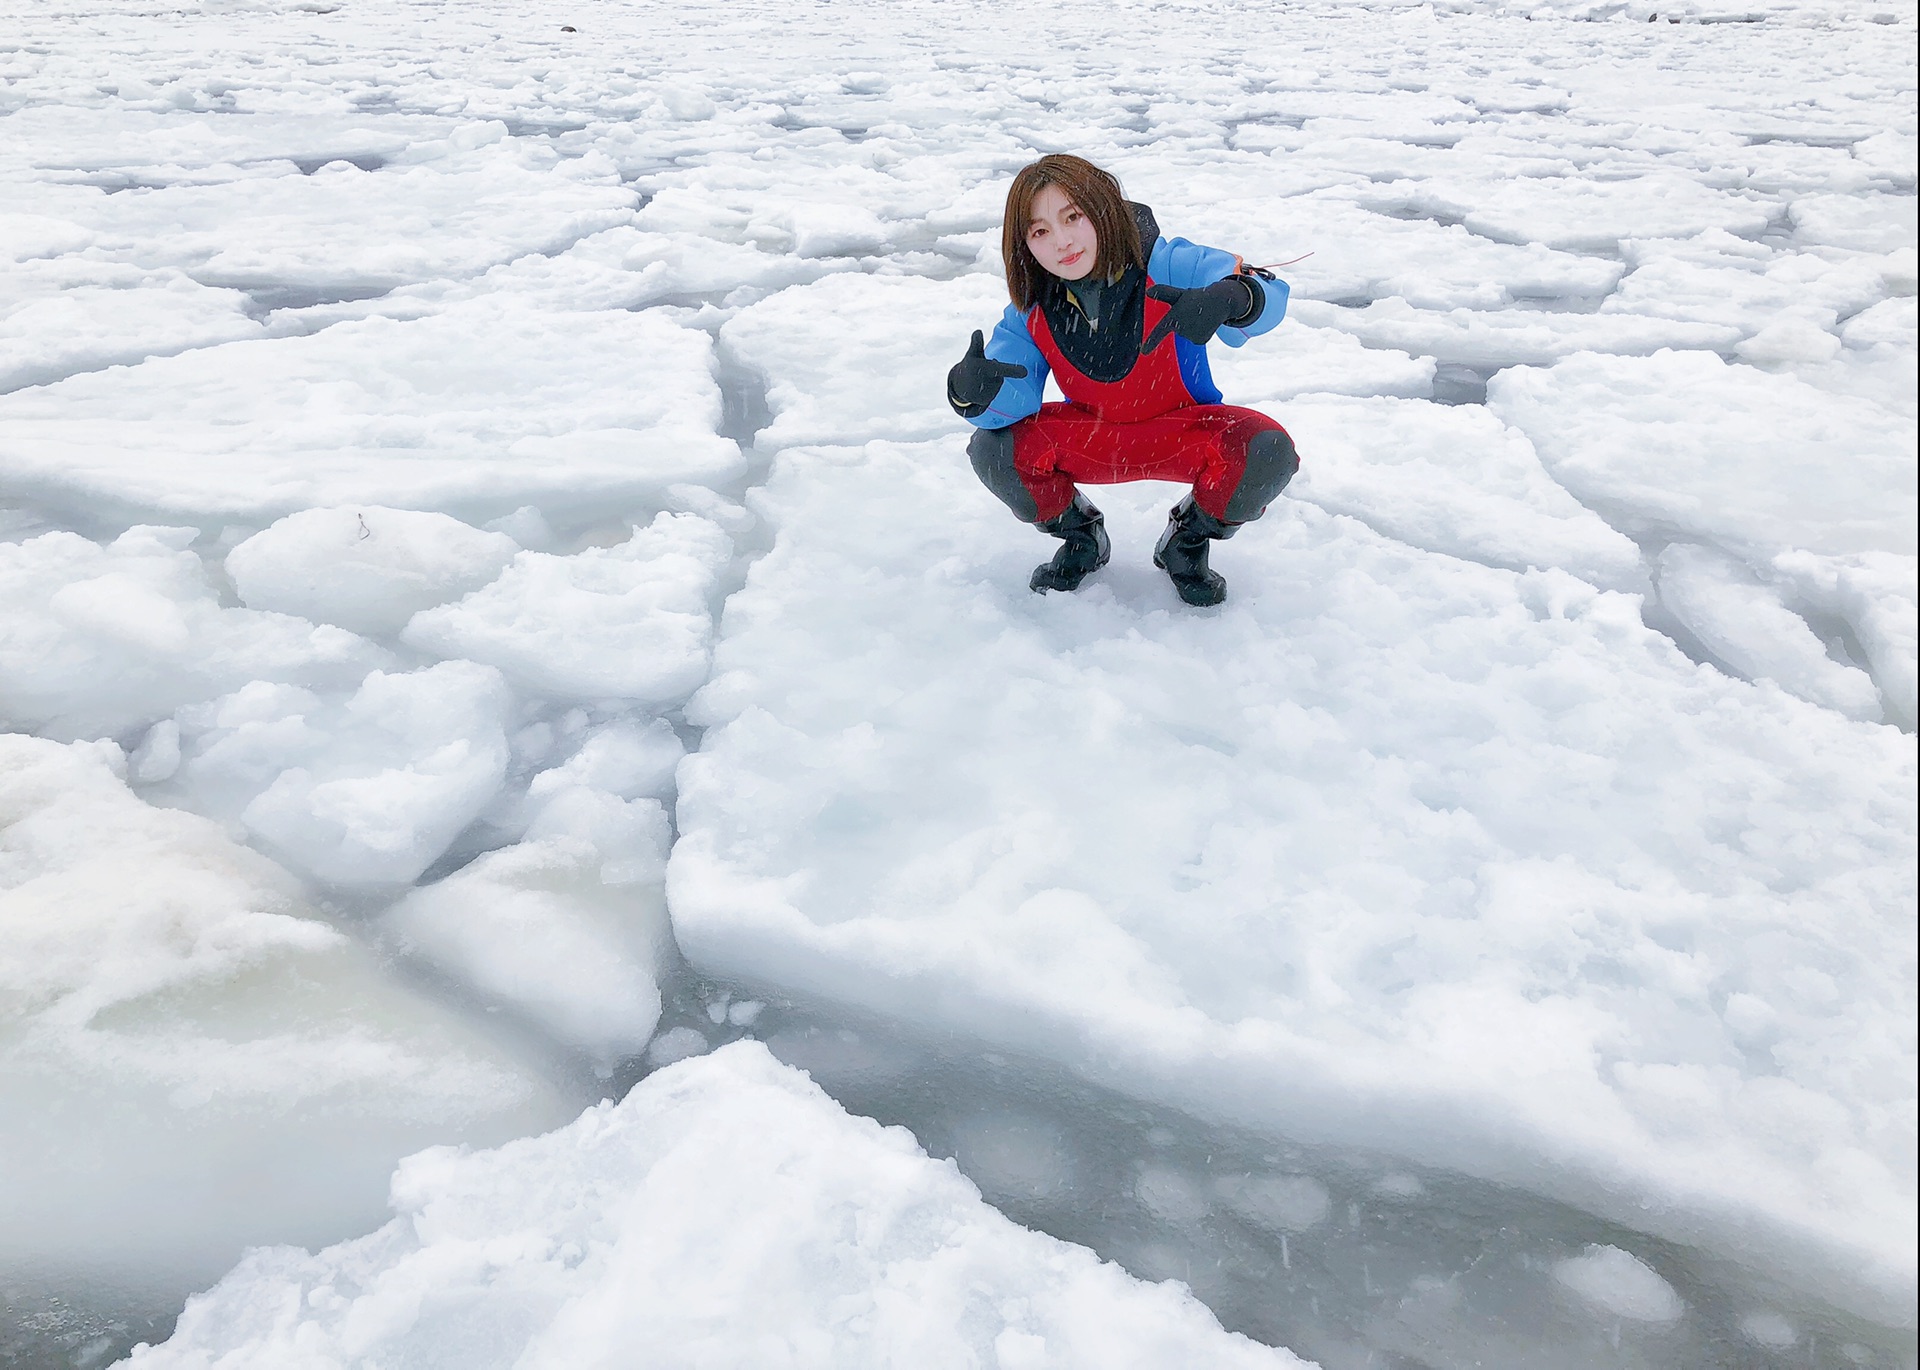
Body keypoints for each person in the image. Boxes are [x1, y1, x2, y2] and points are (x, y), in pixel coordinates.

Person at [947, 154, 1298, 606]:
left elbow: (1257, 289)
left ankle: (1186, 542)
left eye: (1072, 216)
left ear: (1103, 208)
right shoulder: (1031, 312)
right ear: (1025, 246)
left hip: (1186, 432)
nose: (1062, 242)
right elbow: (1011, 395)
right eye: (1040, 231)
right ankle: (1082, 538)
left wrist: (1234, 297)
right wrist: (973, 390)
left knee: (1264, 450)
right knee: (993, 449)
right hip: (1094, 437)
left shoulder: (1168, 263)